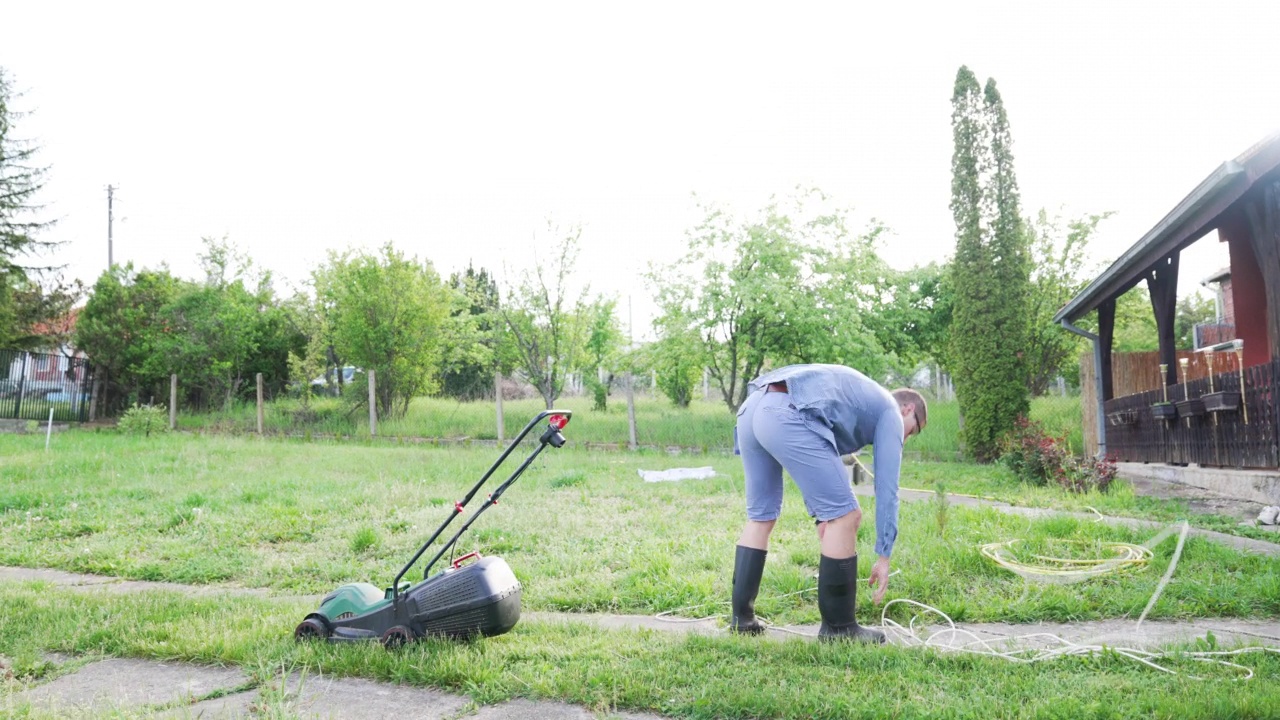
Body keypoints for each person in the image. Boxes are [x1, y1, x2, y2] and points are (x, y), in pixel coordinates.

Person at [729, 363, 926, 643]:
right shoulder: (891, 412)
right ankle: (839, 629)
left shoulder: (860, 399)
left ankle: (742, 620)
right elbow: (887, 489)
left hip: (753, 408)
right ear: (908, 410)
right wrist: (884, 555)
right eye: (913, 430)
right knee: (847, 516)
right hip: (785, 410)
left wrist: (823, 517)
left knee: (761, 516)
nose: (906, 438)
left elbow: (816, 457)